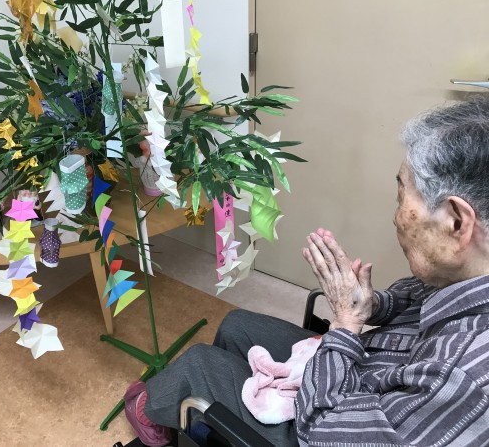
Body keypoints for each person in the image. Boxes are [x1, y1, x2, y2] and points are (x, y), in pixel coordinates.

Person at [124, 96, 489, 446]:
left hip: (330, 424)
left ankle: (154, 413)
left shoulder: (465, 378)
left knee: (198, 367)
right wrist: (369, 304)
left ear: (456, 222)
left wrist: (344, 326)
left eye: (402, 196)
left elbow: (326, 430)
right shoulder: (466, 273)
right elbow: (414, 303)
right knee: (237, 326)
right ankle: (214, 424)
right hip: (368, 369)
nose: (396, 216)